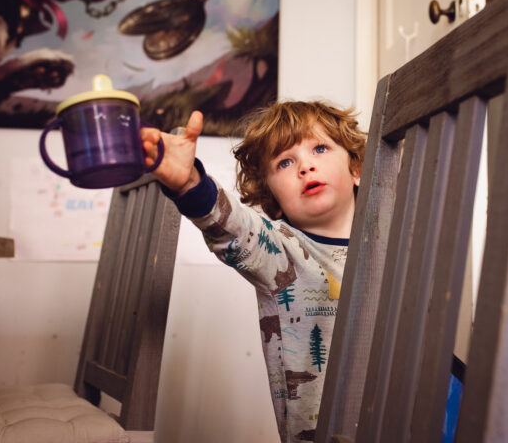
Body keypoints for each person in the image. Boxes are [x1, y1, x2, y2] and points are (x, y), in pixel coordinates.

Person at [140, 101, 366, 442]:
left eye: (320, 148)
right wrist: (189, 182)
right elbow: (233, 227)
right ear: (272, 196)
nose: (305, 166)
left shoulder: (397, 236)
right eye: (285, 162)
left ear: (357, 169)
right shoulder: (279, 249)